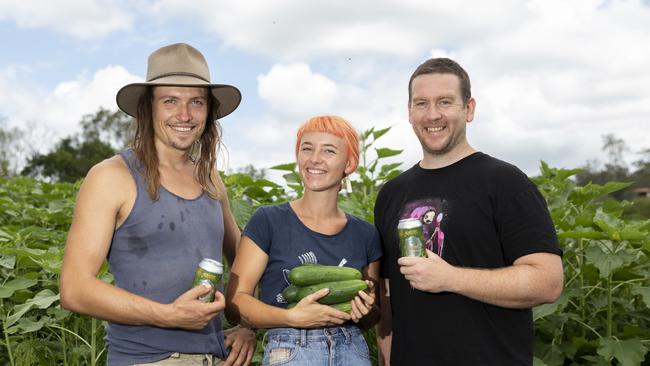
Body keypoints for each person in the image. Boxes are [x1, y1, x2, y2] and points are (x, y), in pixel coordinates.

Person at [60, 43, 256, 366]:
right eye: (170, 101)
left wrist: (247, 324)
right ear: (148, 107)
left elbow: (244, 261)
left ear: (208, 111)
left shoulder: (210, 179)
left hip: (214, 358)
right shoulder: (112, 177)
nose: (184, 115)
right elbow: (74, 288)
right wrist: (168, 315)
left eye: (196, 102)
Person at [374, 58, 564, 365]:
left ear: (469, 109)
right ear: (409, 111)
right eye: (421, 103)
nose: (432, 114)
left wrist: (450, 278)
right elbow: (388, 295)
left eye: (445, 102)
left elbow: (548, 282)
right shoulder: (391, 194)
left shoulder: (505, 182)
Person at [225, 115, 382, 365]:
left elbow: (372, 318)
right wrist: (291, 317)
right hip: (290, 349)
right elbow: (236, 302)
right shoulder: (268, 220)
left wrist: (366, 308)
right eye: (306, 149)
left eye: (329, 150)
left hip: (352, 349)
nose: (314, 159)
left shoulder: (366, 234)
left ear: (349, 163)